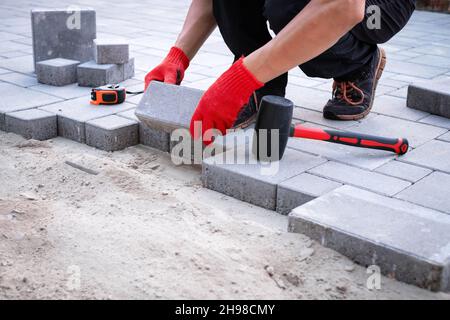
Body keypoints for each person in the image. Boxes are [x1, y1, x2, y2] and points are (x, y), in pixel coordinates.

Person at [144, 0, 416, 143]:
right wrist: (178, 56)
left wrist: (239, 81)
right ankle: (263, 84)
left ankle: (357, 64)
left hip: (377, 9)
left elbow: (344, 6)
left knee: (291, 8)